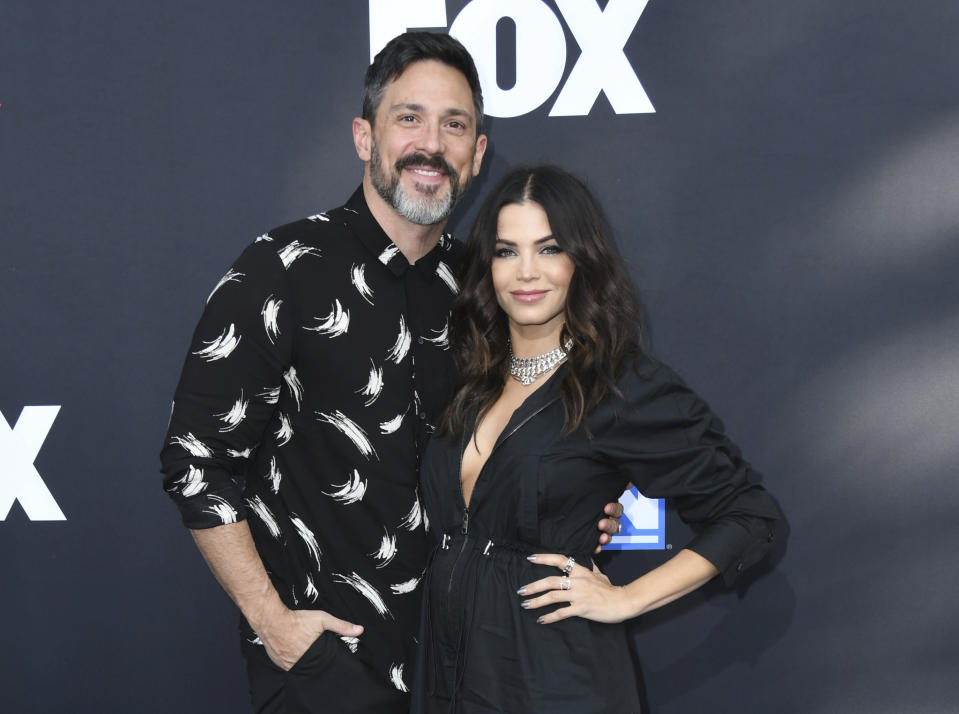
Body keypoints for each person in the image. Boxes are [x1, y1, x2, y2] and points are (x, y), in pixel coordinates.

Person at [159, 34, 622, 713]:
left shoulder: (487, 290)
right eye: (409, 117)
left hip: (477, 666)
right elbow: (195, 462)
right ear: (363, 136)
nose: (430, 144)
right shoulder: (283, 268)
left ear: (477, 154)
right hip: (327, 669)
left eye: (454, 124)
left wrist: (578, 502)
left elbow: (520, 449)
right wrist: (276, 628)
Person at [412, 165, 786, 712]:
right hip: (449, 678)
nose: (527, 272)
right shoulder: (468, 375)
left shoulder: (618, 385)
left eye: (550, 248)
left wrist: (628, 599)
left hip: (554, 681)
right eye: (506, 251)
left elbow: (751, 515)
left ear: (581, 259)